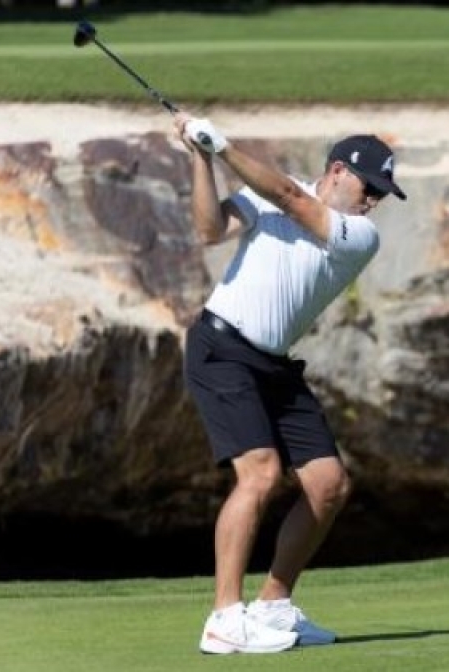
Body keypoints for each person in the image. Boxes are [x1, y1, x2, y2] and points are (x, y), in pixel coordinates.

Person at [173, 113, 406, 655]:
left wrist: (222, 144)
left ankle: (274, 603)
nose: (374, 201)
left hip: (274, 363)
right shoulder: (274, 196)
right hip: (222, 349)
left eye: (382, 195)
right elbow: (210, 230)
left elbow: (290, 199)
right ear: (337, 171)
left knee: (328, 485)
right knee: (260, 475)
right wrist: (201, 158)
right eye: (370, 187)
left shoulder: (359, 236)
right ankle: (224, 618)